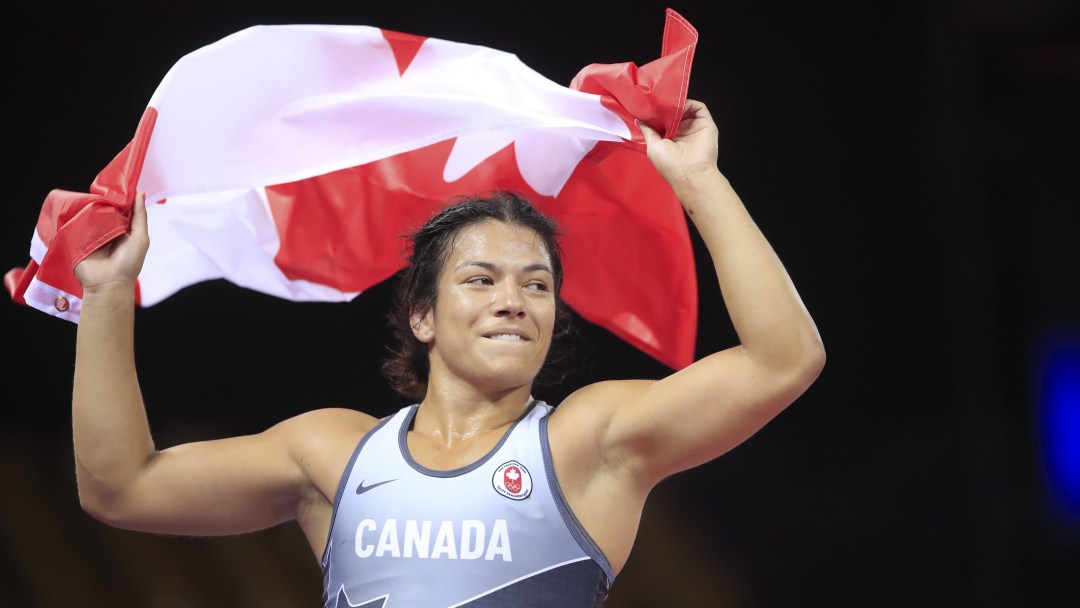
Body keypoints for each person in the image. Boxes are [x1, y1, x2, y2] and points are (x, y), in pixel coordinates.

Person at [71, 99, 825, 607]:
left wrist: (698, 181)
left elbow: (783, 359)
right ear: (423, 316)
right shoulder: (333, 457)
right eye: (481, 279)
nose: (513, 300)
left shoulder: (588, 442)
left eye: (537, 285)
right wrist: (106, 295)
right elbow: (119, 488)